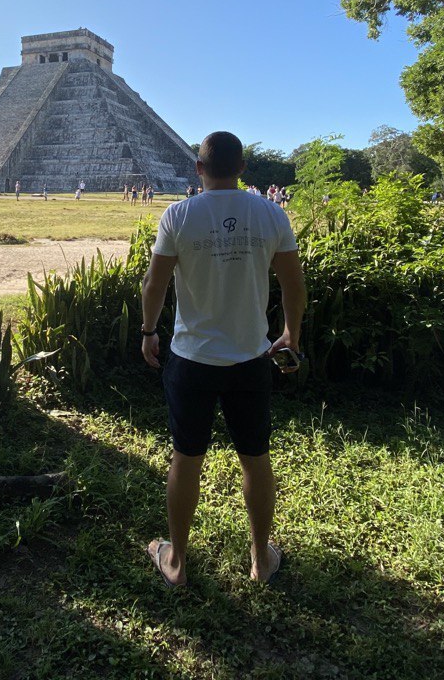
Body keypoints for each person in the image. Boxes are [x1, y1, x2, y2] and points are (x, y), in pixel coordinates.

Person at [140, 131, 306, 588]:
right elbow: (294, 285)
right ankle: (260, 560)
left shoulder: (178, 214)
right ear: (242, 168)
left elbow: (154, 284)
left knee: (185, 458)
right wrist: (291, 332)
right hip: (251, 357)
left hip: (191, 357)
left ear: (199, 168)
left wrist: (148, 331)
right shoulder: (271, 213)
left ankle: (176, 563)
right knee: (255, 458)